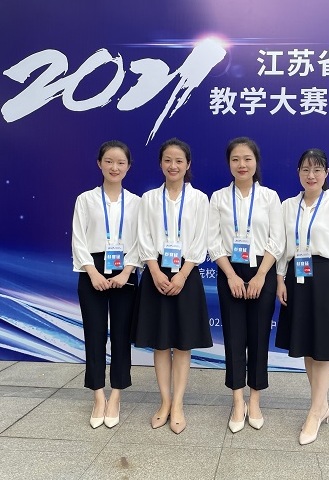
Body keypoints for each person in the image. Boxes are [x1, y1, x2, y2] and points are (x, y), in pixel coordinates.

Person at [275, 148, 329, 445]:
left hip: (327, 279)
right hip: (297, 278)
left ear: (326, 173)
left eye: (317, 170)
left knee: (324, 346)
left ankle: (314, 412)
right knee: (307, 346)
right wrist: (280, 279)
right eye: (305, 170)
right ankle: (322, 405)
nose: (311, 175)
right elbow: (282, 247)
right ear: (298, 173)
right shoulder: (288, 206)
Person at [132, 137, 212, 434]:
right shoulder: (149, 199)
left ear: (188, 164)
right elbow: (143, 237)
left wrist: (182, 275)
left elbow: (201, 240)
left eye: (179, 160)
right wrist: (154, 271)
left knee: (182, 342)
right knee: (161, 341)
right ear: (160, 164)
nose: (173, 165)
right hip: (156, 272)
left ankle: (178, 404)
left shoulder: (199, 199)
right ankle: (164, 402)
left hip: (186, 274)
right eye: (168, 160)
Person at [208, 137, 284, 433]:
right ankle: (238, 401)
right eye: (236, 159)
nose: (242, 164)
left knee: (259, 338)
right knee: (234, 337)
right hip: (230, 271)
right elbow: (213, 241)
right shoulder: (218, 198)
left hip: (262, 270)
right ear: (229, 163)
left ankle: (255, 400)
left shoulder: (269, 197)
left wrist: (262, 275)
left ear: (256, 162)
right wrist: (230, 275)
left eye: (247, 159)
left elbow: (277, 240)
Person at [72, 140, 140, 429]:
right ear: (99, 163)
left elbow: (140, 241)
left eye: (120, 163)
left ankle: (116, 395)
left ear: (128, 167)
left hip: (125, 270)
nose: (115, 167)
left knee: (122, 335)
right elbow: (78, 239)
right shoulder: (85, 200)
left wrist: (127, 272)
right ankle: (98, 396)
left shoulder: (137, 202)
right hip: (92, 270)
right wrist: (92, 272)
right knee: (95, 334)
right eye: (109, 161)